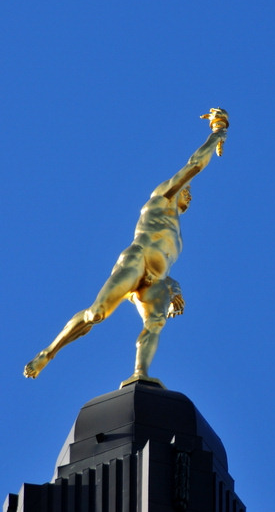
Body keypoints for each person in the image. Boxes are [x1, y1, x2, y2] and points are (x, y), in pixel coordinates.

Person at [24, 109, 229, 384]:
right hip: (136, 260)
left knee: (155, 323)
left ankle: (140, 374)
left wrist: (174, 287)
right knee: (96, 314)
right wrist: (217, 133)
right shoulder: (162, 198)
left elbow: (165, 264)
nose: (189, 196)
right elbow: (194, 164)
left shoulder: (177, 233)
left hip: (156, 278)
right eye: (187, 192)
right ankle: (48, 353)